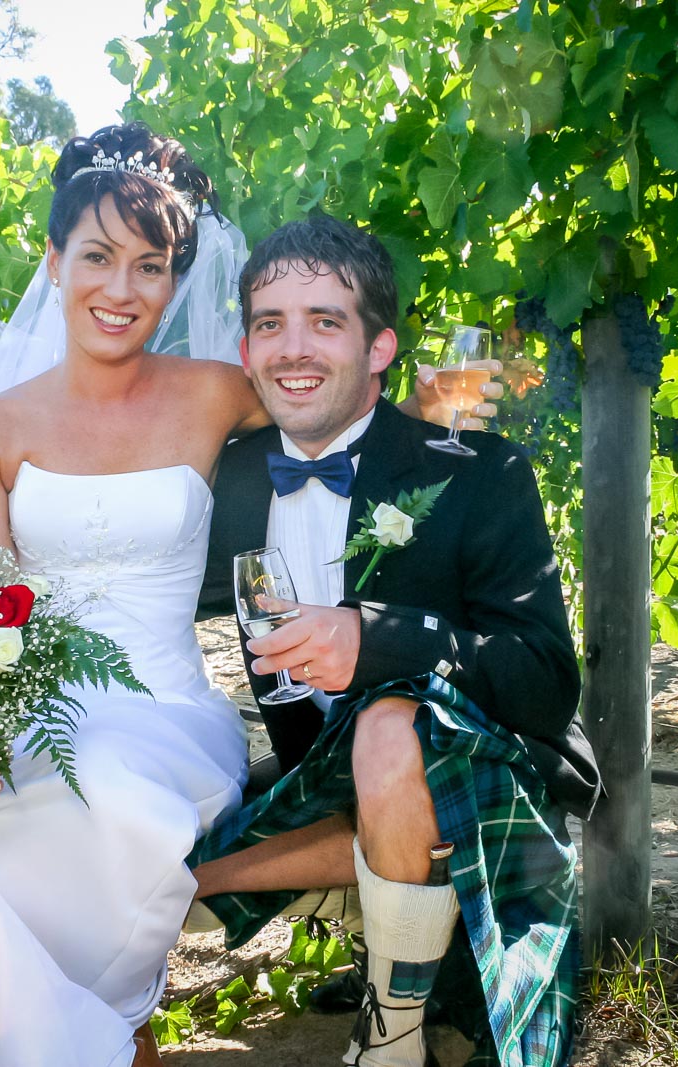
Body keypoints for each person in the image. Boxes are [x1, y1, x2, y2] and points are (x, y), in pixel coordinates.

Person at [0, 123, 474, 1067]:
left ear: (177, 280)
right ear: (53, 263)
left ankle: (93, 1034)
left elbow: (325, 387)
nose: (123, 290)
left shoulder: (216, 391)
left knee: (101, 801)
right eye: (97, 257)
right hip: (30, 714)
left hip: (161, 716)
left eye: (151, 265)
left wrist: (425, 396)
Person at [186, 215, 593, 1067]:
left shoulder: (481, 473)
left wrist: (378, 639)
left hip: (481, 772)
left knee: (387, 725)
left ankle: (391, 1035)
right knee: (129, 837)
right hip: (324, 778)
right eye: (271, 324)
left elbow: (548, 683)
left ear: (380, 349)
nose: (293, 348)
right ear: (246, 348)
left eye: (324, 322)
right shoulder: (229, 479)